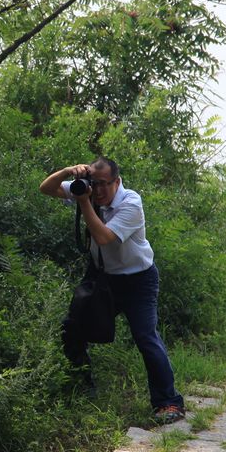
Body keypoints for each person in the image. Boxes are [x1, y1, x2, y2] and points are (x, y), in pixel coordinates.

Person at [39, 157, 185, 425]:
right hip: (103, 277)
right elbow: (46, 188)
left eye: (105, 184)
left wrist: (84, 202)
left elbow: (104, 237)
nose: (100, 190)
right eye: (95, 183)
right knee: (72, 328)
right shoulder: (89, 190)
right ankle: (83, 388)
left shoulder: (131, 203)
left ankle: (168, 403)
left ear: (117, 182)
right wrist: (68, 172)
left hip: (138, 280)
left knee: (145, 338)